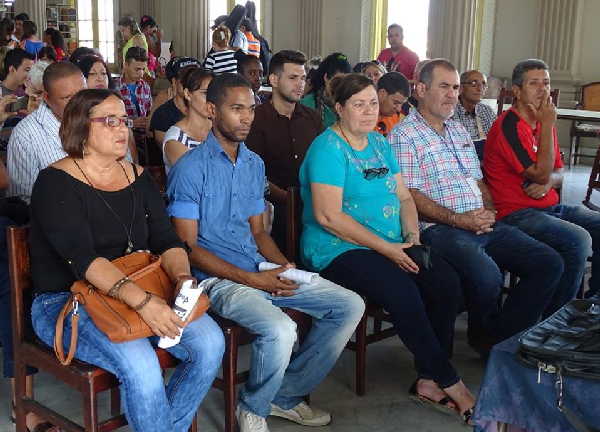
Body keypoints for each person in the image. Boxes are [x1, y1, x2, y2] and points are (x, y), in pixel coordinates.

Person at [167, 73, 364, 432]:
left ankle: (284, 395)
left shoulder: (254, 165)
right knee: (280, 328)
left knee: (350, 304)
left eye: (251, 109)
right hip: (217, 279)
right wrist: (254, 278)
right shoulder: (190, 169)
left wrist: (281, 267)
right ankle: (253, 408)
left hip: (259, 265)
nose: (246, 118)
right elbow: (188, 248)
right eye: (235, 109)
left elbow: (259, 231)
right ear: (212, 110)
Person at [28, 88, 225, 432]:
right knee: (141, 365)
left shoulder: (137, 175)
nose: (123, 129)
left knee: (210, 343)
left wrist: (180, 278)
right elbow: (84, 260)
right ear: (80, 127)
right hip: (67, 302)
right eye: (110, 121)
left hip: (138, 289)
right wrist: (145, 303)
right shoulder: (54, 182)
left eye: (124, 120)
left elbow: (166, 239)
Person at [299, 72, 475, 424]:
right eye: (358, 105)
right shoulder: (328, 149)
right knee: (404, 292)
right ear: (339, 108)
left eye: (372, 104)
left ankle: (428, 379)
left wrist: (412, 237)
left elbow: (405, 196)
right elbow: (328, 217)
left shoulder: (380, 143)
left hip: (391, 242)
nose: (367, 112)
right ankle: (451, 383)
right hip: (339, 248)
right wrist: (389, 250)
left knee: (446, 282)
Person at [389, 58, 563, 355]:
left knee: (549, 263)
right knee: (488, 274)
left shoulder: (458, 130)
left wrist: (489, 210)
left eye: (455, 88)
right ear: (420, 89)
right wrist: (460, 220)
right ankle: (489, 337)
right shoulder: (404, 136)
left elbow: (478, 180)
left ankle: (497, 337)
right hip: (440, 228)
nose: (452, 95)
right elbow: (411, 195)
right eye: (444, 87)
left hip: (480, 221)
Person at [485, 58, 600, 302]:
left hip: (549, 207)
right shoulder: (509, 125)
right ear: (516, 91)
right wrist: (548, 127)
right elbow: (539, 173)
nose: (542, 89)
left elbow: (558, 172)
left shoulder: (543, 121)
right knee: (578, 239)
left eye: (546, 83)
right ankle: (557, 319)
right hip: (517, 213)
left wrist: (548, 183)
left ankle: (592, 303)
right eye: (534, 83)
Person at [246, 50, 323, 249]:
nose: (300, 84)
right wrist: (289, 199)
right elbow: (252, 173)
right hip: (271, 206)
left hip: (314, 205)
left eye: (303, 78)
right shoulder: (256, 120)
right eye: (293, 78)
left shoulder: (313, 118)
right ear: (273, 79)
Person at [7, 61, 86, 203]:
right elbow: (23, 198)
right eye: (68, 98)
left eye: (83, 94)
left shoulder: (99, 119)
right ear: (47, 98)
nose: (79, 103)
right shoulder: (26, 135)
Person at [162, 67, 213, 172]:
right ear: (187, 94)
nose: (211, 99)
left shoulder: (220, 130)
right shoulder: (174, 139)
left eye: (214, 94)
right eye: (205, 93)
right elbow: (197, 175)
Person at [150, 56, 201, 148]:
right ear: (174, 82)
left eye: (196, 78)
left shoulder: (207, 110)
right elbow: (170, 150)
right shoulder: (163, 114)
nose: (191, 82)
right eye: (185, 78)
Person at [451, 69, 496, 160]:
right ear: (461, 88)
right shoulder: (450, 111)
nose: (480, 89)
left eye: (483, 84)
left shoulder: (487, 111)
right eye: (473, 83)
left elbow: (498, 140)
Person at [300, 52, 351, 128]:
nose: (342, 86)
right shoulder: (307, 104)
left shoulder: (352, 104)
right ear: (326, 78)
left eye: (346, 82)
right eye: (337, 81)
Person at [116, 46, 152, 130]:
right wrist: (132, 123)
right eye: (137, 69)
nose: (141, 74)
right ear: (125, 65)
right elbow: (109, 119)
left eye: (143, 69)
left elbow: (149, 113)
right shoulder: (114, 88)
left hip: (144, 139)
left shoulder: (146, 87)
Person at [375, 71, 410, 136]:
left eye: (402, 104)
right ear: (382, 94)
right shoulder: (359, 118)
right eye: (395, 103)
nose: (399, 109)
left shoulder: (400, 120)